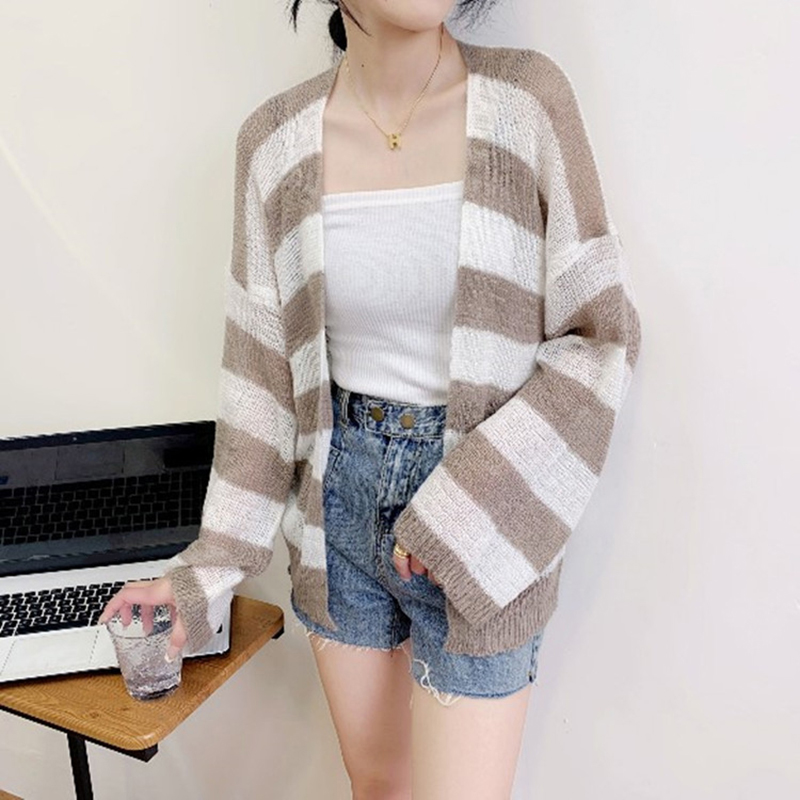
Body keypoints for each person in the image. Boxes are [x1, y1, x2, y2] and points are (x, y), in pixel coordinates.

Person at [100, 1, 642, 797]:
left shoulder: (528, 102)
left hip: (485, 511)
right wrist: (202, 574)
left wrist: (463, 510)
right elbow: (260, 385)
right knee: (379, 788)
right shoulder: (273, 144)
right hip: (337, 515)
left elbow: (602, 338)